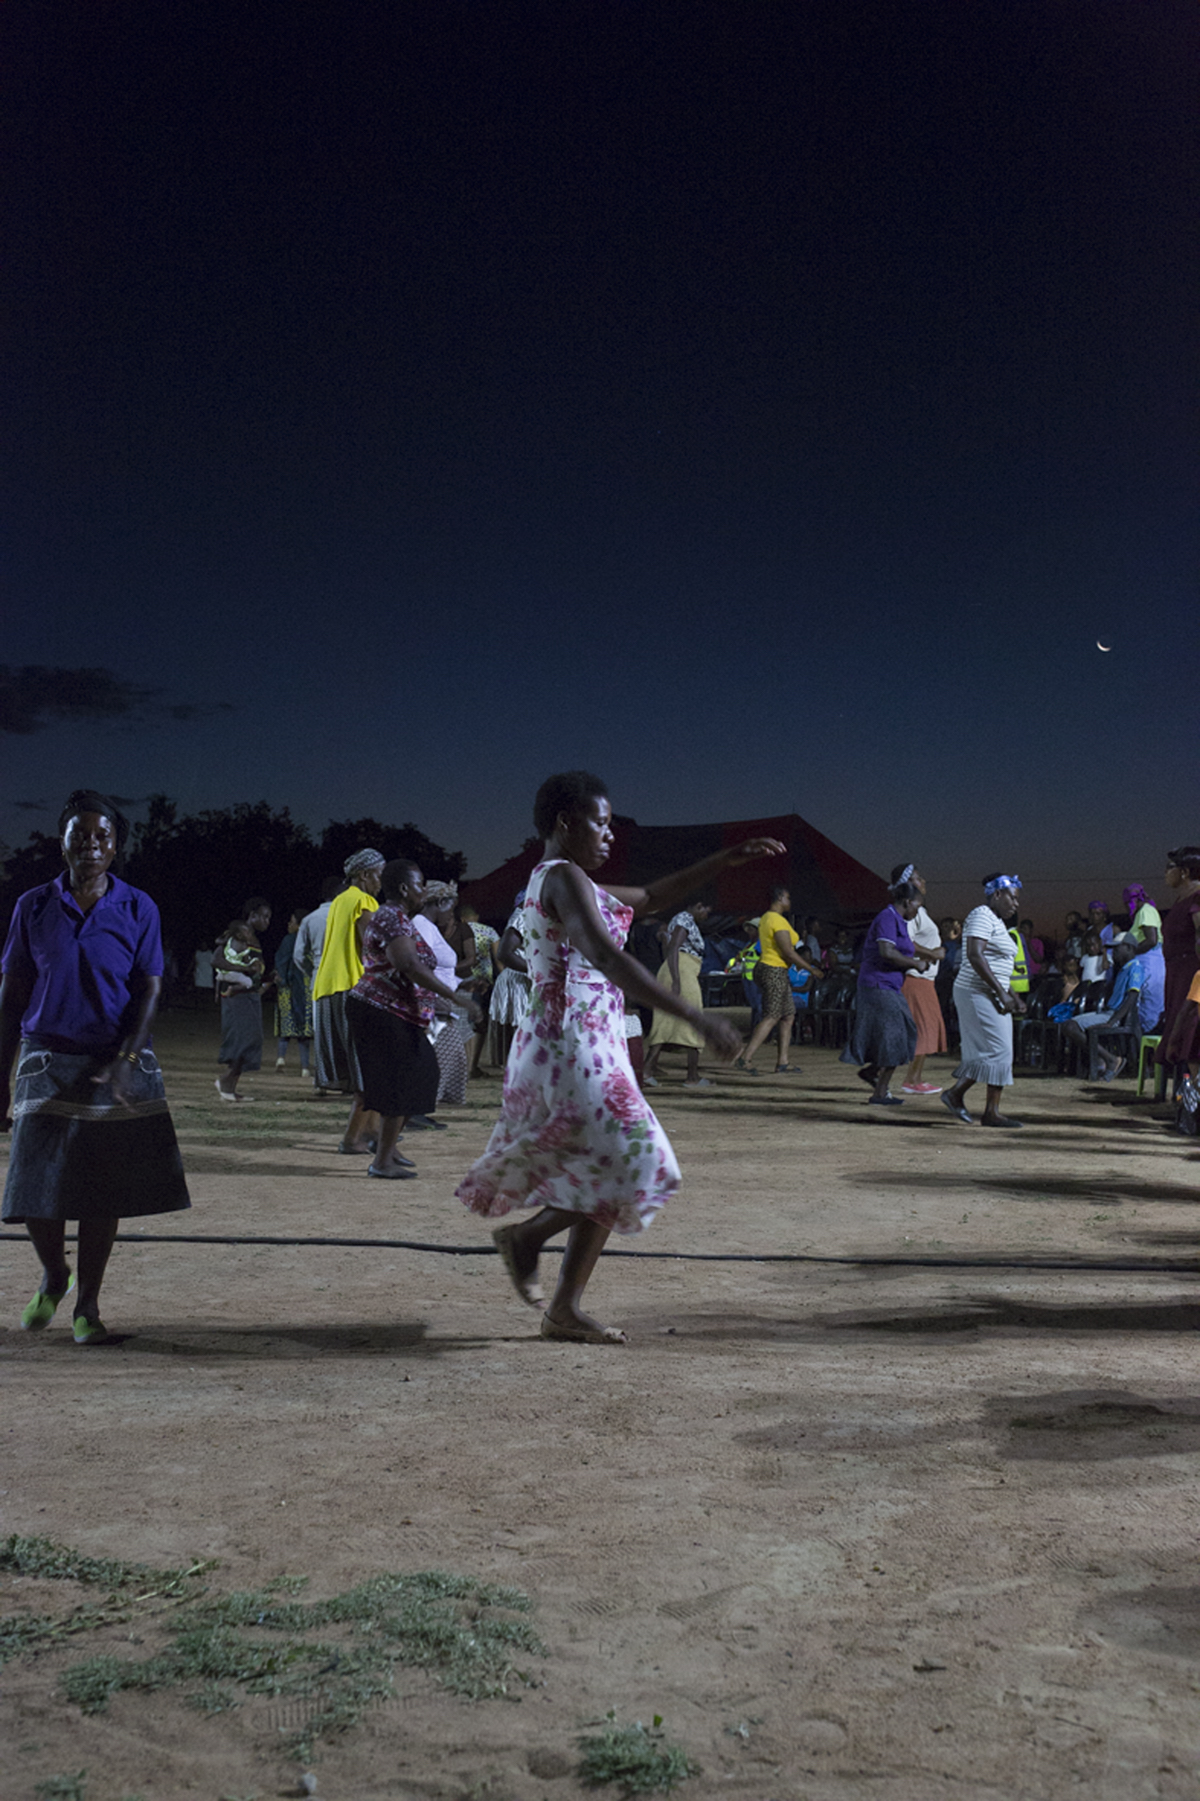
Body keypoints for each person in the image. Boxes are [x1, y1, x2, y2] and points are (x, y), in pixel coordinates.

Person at [457, 770, 783, 1344]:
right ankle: (528, 1240)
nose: (610, 835)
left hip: (582, 1037)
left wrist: (723, 860)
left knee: (612, 1162)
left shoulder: (569, 880)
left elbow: (654, 896)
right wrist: (695, 1015)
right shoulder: (560, 877)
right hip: (571, 1041)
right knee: (639, 1158)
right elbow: (606, 957)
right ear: (565, 822)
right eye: (600, 823)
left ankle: (563, 1307)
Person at [0, 790, 190, 1342]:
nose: (90, 845)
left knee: (101, 1188)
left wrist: (128, 1058)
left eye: (102, 836)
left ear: (116, 848)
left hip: (112, 1054)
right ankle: (54, 1272)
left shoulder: (137, 907)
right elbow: (13, 991)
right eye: (79, 835)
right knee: (35, 1181)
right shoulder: (33, 906)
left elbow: (150, 985)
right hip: (45, 1052)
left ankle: (88, 1305)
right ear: (61, 843)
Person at [347, 862, 482, 1179]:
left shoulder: (398, 919)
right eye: (420, 883)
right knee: (405, 1080)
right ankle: (381, 1161)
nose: (424, 889)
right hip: (382, 1009)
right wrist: (455, 998)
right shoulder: (391, 917)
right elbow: (408, 964)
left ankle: (386, 1149)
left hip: (395, 1010)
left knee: (418, 1077)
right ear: (405, 889)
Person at [312, 850, 385, 1152]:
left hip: (328, 988)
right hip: (353, 988)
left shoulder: (340, 900)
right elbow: (373, 944)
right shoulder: (364, 901)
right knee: (371, 1069)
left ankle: (374, 1135)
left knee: (361, 1070)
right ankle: (353, 1138)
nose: (381, 881)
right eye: (379, 874)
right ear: (365, 874)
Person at [941, 874, 1027, 1127]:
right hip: (975, 992)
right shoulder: (981, 914)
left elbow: (998, 967)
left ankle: (988, 1109)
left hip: (990, 992)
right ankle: (960, 1096)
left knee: (999, 1050)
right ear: (997, 894)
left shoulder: (998, 923)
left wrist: (1012, 994)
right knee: (997, 1049)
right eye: (1012, 897)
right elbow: (975, 956)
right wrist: (1001, 993)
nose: (1016, 904)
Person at [841, 868, 928, 1106]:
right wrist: (915, 963)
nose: (917, 911)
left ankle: (876, 1081)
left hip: (886, 985)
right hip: (877, 985)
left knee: (898, 1035)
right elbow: (886, 951)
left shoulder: (897, 920)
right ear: (908, 901)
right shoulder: (888, 917)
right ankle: (879, 1090)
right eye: (917, 907)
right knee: (899, 1035)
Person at [735, 885, 825, 1075]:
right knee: (773, 1015)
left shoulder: (767, 918)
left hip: (773, 968)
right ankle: (745, 1058)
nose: (790, 902)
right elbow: (788, 951)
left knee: (787, 1015)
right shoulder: (777, 920)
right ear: (781, 898)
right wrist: (811, 969)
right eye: (788, 898)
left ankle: (782, 1062)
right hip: (773, 969)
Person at [414, 881, 476, 1108]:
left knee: (449, 1056)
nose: (452, 913)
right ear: (439, 902)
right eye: (450, 907)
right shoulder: (421, 925)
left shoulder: (429, 927)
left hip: (439, 999)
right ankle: (419, 1105)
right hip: (432, 1001)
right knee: (440, 1057)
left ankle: (426, 1104)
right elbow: (420, 965)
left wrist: (462, 983)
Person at [643, 901, 714, 1088]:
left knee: (664, 1022)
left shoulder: (679, 920)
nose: (707, 915)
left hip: (675, 970)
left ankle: (647, 1071)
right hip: (681, 972)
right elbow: (674, 948)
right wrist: (676, 980)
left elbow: (669, 949)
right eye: (707, 910)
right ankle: (692, 1077)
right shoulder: (685, 919)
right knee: (694, 1021)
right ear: (699, 905)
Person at [213, 898, 272, 1101]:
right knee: (245, 1040)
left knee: (249, 1040)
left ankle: (229, 1085)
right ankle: (226, 1082)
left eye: (268, 917)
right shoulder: (240, 935)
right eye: (263, 916)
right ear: (252, 915)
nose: (267, 921)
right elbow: (218, 960)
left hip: (247, 996)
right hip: (238, 998)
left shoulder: (250, 937)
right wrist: (245, 970)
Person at [1061, 940, 1144, 1081]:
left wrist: (1112, 1022)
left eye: (1118, 948)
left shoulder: (1135, 968)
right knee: (1068, 1025)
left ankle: (1109, 1060)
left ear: (1129, 948)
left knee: (1071, 1026)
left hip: (1115, 1015)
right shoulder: (1124, 968)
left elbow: (1132, 998)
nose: (1114, 952)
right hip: (1109, 1013)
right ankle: (1104, 1059)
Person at [899, 870, 947, 1095]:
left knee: (926, 1028)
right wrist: (932, 954)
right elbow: (906, 942)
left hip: (925, 979)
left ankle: (914, 1078)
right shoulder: (911, 913)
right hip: (916, 978)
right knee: (924, 1028)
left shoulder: (921, 911)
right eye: (918, 877)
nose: (923, 880)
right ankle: (912, 1080)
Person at [1157, 847, 1200, 1093]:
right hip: (1176, 972)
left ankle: (1191, 1100)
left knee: (1189, 1031)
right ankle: (1184, 1099)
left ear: (1184, 872)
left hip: (1191, 974)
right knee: (1178, 1029)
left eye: (1169, 868)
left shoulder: (1197, 898)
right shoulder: (1182, 899)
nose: (1165, 873)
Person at [292, 875, 341, 1082]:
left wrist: (312, 971)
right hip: (347, 979)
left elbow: (298, 956)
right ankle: (348, 1080)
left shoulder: (310, 919)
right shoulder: (347, 915)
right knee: (346, 1033)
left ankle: (322, 1080)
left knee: (321, 1033)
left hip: (320, 979)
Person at [488, 892, 532, 1068]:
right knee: (520, 1027)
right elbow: (504, 954)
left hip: (523, 978)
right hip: (517, 979)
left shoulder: (529, 917)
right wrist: (536, 971)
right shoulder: (521, 917)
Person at [460, 903, 500, 1076]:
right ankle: (472, 1065)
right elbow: (499, 958)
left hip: (462, 980)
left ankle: (463, 1064)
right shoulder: (489, 931)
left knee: (463, 1021)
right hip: (483, 982)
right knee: (479, 1021)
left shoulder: (457, 931)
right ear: (476, 916)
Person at [1123, 881, 1166, 1036]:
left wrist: (1131, 952)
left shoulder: (1146, 911)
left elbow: (1151, 940)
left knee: (1151, 1002)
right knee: (1144, 1002)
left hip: (1150, 960)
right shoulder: (1140, 914)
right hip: (1145, 961)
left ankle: (1152, 1041)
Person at [273, 908, 312, 1075]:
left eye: (292, 921)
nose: (289, 924)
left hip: (287, 988)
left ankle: (281, 1058)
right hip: (306, 988)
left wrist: (279, 977)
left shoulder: (289, 939)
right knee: (304, 1031)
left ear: (299, 924)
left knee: (286, 1026)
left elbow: (281, 960)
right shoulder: (310, 939)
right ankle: (304, 1068)